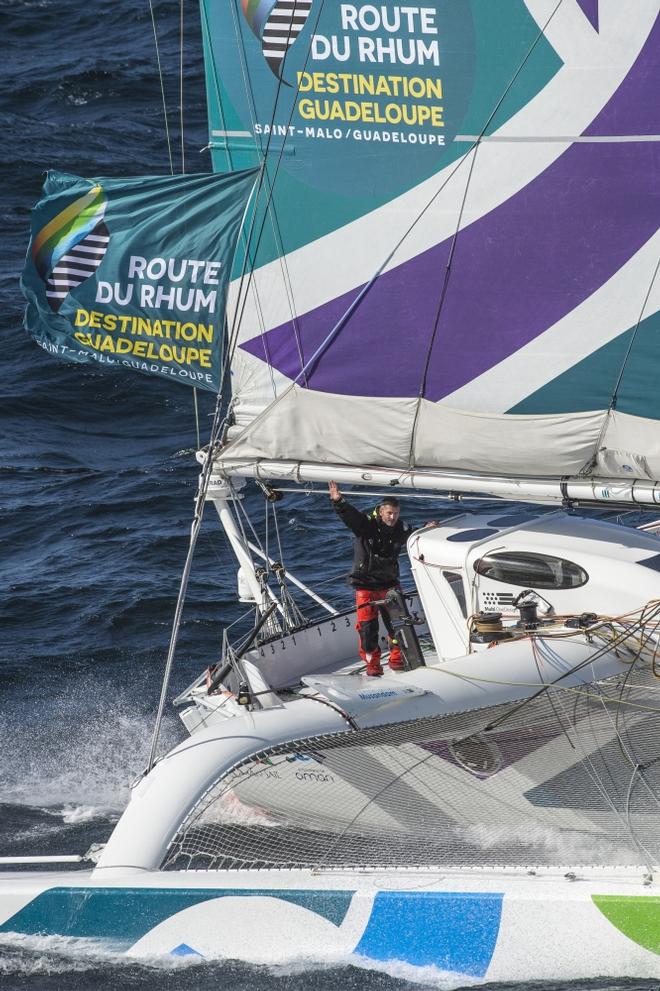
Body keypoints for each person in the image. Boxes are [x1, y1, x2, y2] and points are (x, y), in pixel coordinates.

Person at [329, 481, 434, 676]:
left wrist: (426, 528)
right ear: (381, 511)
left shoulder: (401, 528)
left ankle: (397, 659)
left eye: (396, 513)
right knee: (368, 629)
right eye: (389, 513)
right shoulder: (366, 525)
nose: (392, 517)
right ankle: (373, 664)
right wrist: (339, 501)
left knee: (399, 624)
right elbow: (350, 517)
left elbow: (414, 535)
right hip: (365, 586)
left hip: (390, 584)